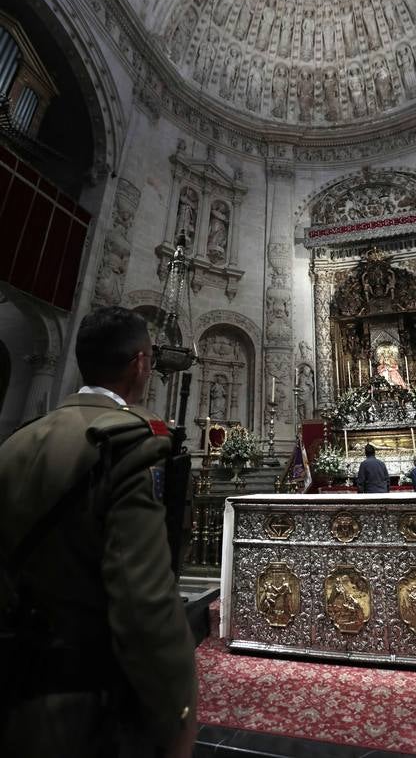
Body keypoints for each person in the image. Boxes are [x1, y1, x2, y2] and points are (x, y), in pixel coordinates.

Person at [0, 307, 197, 758]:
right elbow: (142, 596)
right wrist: (178, 713)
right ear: (141, 365)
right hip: (84, 703)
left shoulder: (17, 441)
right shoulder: (128, 441)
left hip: (14, 685)